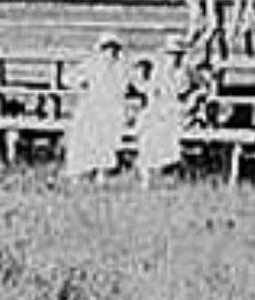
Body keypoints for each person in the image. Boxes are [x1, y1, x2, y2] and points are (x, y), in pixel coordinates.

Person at [63, 31, 130, 182]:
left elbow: (125, 88)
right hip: (90, 109)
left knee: (106, 141)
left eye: (113, 49)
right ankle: (79, 174)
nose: (110, 52)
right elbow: (68, 78)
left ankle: (102, 173)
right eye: (107, 48)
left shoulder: (120, 69)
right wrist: (79, 83)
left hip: (110, 111)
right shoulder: (91, 65)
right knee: (83, 138)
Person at [135, 35, 195, 188]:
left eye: (176, 54)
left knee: (168, 130)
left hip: (178, 109)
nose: (173, 58)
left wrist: (194, 98)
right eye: (170, 54)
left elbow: (203, 87)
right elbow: (151, 91)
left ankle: (169, 169)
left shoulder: (187, 71)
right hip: (160, 108)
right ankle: (146, 174)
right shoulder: (159, 71)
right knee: (148, 129)